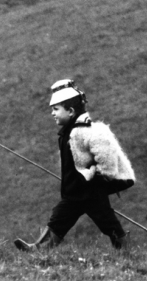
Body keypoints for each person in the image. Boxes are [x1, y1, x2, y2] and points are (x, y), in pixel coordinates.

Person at [14, 79, 136, 251]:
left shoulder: (86, 131)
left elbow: (106, 157)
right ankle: (38, 249)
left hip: (91, 192)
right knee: (58, 219)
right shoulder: (67, 133)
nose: (53, 113)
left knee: (107, 222)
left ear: (70, 111)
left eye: (56, 109)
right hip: (74, 193)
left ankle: (126, 249)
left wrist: (96, 174)